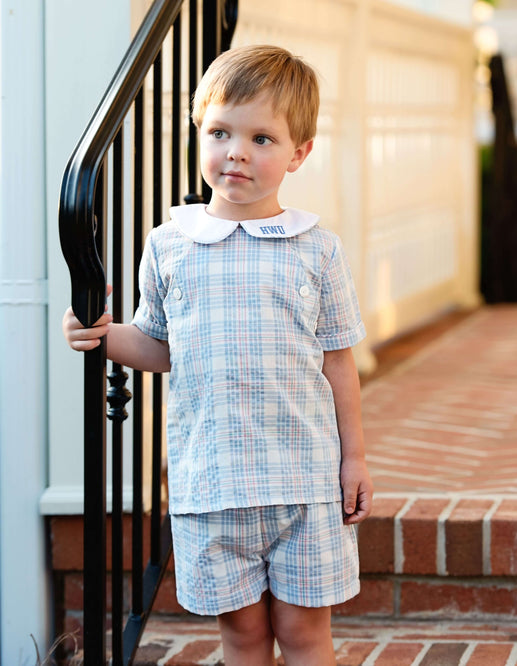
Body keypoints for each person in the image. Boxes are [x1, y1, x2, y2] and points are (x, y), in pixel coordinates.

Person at [63, 44, 373, 666]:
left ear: (298, 154)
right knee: (243, 638)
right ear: (199, 133)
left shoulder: (317, 250)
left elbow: (338, 361)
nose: (236, 151)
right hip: (212, 483)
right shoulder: (171, 244)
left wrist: (355, 459)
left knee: (305, 635)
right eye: (220, 132)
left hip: (304, 482)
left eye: (262, 138)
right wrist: (99, 333)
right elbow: (158, 347)